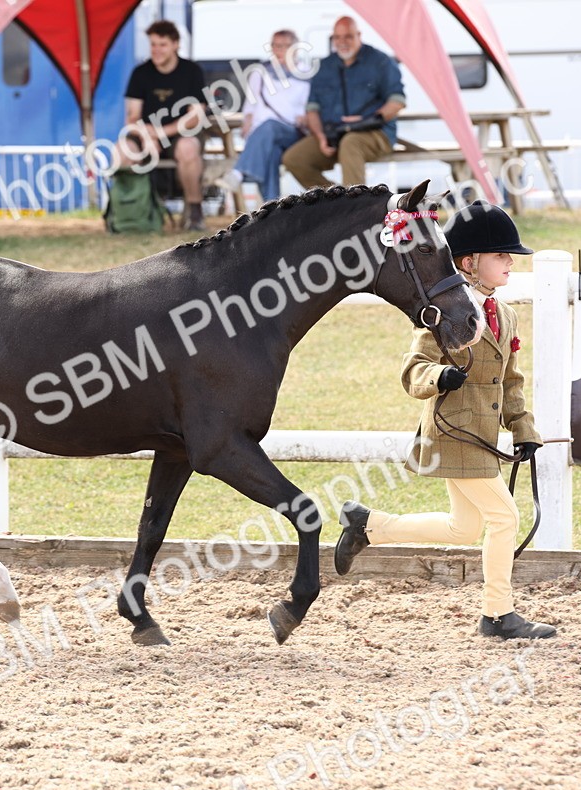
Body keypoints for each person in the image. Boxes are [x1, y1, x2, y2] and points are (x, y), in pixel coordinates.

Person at [335, 200, 556, 641]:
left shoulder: (506, 314)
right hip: (453, 431)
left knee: (465, 527)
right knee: (504, 517)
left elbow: (510, 381)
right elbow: (413, 370)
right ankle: (498, 614)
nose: (510, 262)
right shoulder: (443, 311)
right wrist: (441, 376)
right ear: (469, 262)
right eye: (501, 255)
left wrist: (523, 429)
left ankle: (368, 525)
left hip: (482, 436)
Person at [281, 16, 404, 190]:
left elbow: (397, 101)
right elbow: (312, 108)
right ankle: (336, 199)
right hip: (334, 134)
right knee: (294, 159)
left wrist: (368, 120)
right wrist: (320, 136)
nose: (342, 42)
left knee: (350, 143)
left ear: (359, 35)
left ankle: (356, 203)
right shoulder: (324, 66)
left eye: (348, 36)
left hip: (374, 132)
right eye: (337, 37)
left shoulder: (381, 62)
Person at [123, 20, 209, 232]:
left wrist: (160, 133)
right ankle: (130, 213)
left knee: (188, 149)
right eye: (153, 44)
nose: (156, 50)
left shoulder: (192, 71)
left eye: (162, 44)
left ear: (176, 44)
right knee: (123, 151)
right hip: (146, 134)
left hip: (180, 134)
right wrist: (147, 136)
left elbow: (195, 116)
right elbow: (132, 117)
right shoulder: (140, 73)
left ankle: (195, 212)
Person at [217, 29, 309, 203]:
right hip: (262, 134)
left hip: (292, 132)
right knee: (271, 153)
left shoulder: (306, 74)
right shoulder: (260, 72)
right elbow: (250, 105)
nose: (279, 50)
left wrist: (304, 118)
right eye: (276, 46)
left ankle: (239, 172)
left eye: (285, 46)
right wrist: (247, 124)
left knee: (270, 126)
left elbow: (310, 108)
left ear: (295, 49)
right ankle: (273, 208)